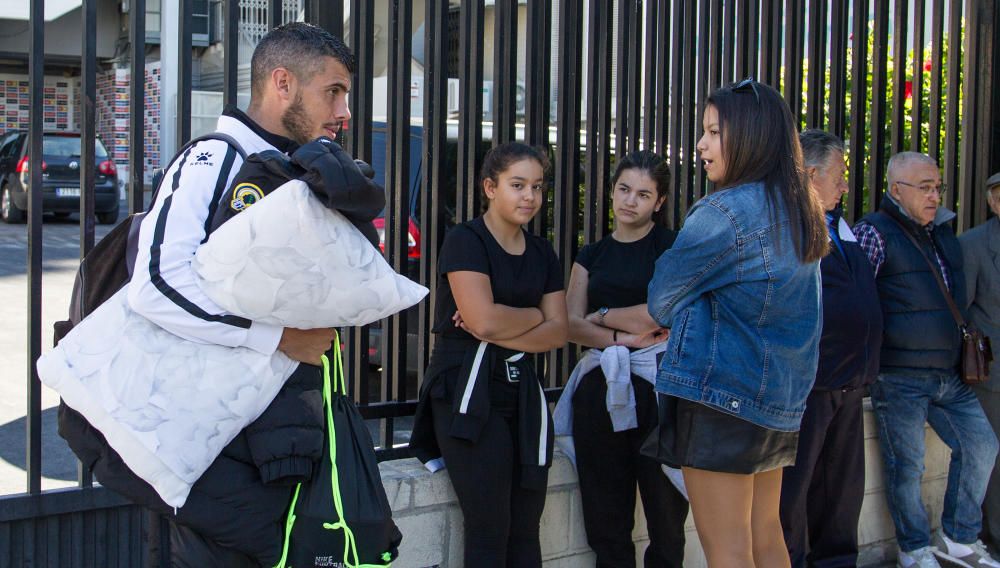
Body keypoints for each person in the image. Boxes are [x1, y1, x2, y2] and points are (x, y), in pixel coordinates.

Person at [59, 23, 384, 566]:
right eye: (334, 91)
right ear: (283, 83)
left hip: (276, 445)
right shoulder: (214, 160)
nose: (345, 111)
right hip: (211, 450)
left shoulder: (301, 171)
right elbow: (158, 286)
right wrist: (278, 338)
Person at [644, 79, 828, 568]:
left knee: (727, 553)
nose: (700, 145)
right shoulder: (799, 210)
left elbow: (661, 300)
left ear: (748, 136)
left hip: (721, 398)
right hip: (777, 400)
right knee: (767, 540)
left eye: (712, 132)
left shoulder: (723, 211)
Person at [409, 142, 568, 568]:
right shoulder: (466, 240)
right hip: (468, 392)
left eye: (536, 186)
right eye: (517, 185)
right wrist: (534, 316)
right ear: (490, 187)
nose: (529, 197)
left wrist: (504, 325)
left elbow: (559, 330)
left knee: (525, 529)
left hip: (522, 396)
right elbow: (484, 322)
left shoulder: (542, 253)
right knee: (489, 526)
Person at [854, 152, 1000, 568]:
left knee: (982, 446)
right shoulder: (874, 231)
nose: (934, 195)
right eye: (925, 187)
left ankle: (958, 539)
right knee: (907, 465)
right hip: (898, 373)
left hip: (947, 372)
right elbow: (857, 299)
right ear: (896, 190)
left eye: (937, 187)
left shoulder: (941, 233)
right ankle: (914, 549)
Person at [555, 150, 688, 567]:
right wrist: (622, 337)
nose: (630, 201)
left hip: (659, 385)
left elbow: (661, 312)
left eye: (643, 194)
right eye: (624, 189)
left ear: (659, 202)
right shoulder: (591, 254)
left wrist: (605, 315)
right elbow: (571, 325)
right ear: (612, 191)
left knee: (666, 512)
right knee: (605, 514)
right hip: (600, 386)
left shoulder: (670, 247)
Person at [777, 129, 882, 567]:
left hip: (851, 382)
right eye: (838, 176)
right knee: (796, 491)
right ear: (812, 174)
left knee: (842, 493)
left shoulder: (841, 225)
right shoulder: (790, 227)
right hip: (810, 385)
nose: (844, 185)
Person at [959, 171, 1000, 555]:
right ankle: (995, 535)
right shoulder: (972, 246)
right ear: (993, 202)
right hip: (993, 376)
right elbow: (963, 311)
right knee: (994, 456)